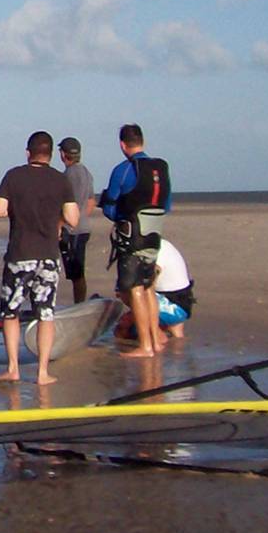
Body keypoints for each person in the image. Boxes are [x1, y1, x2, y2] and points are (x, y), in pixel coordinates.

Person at [0, 131, 80, 386]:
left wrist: (15, 207)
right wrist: (58, 220)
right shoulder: (60, 180)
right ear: (51, 154)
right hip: (48, 256)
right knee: (45, 313)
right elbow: (73, 219)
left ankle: (13, 368)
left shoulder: (14, 176)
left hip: (20, 254)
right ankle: (42, 372)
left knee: (11, 312)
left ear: (28, 152)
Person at [99, 124, 172, 359]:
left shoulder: (123, 170)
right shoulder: (160, 168)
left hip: (133, 237)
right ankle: (154, 340)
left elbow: (110, 208)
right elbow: (166, 205)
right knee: (149, 286)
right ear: (142, 141)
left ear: (122, 144)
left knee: (136, 289)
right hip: (154, 235)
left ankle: (146, 345)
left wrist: (115, 211)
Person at [117, 238, 195, 342]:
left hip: (174, 306)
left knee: (125, 326)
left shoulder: (151, 250)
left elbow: (149, 281)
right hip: (184, 302)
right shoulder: (161, 244)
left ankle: (157, 335)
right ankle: (174, 332)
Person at [56, 137, 94, 304]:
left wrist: (61, 225)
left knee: (76, 272)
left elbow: (68, 205)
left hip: (72, 230)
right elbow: (91, 201)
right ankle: (79, 302)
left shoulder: (68, 175)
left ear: (64, 155)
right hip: (82, 227)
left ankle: (79, 304)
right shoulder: (86, 172)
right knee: (76, 272)